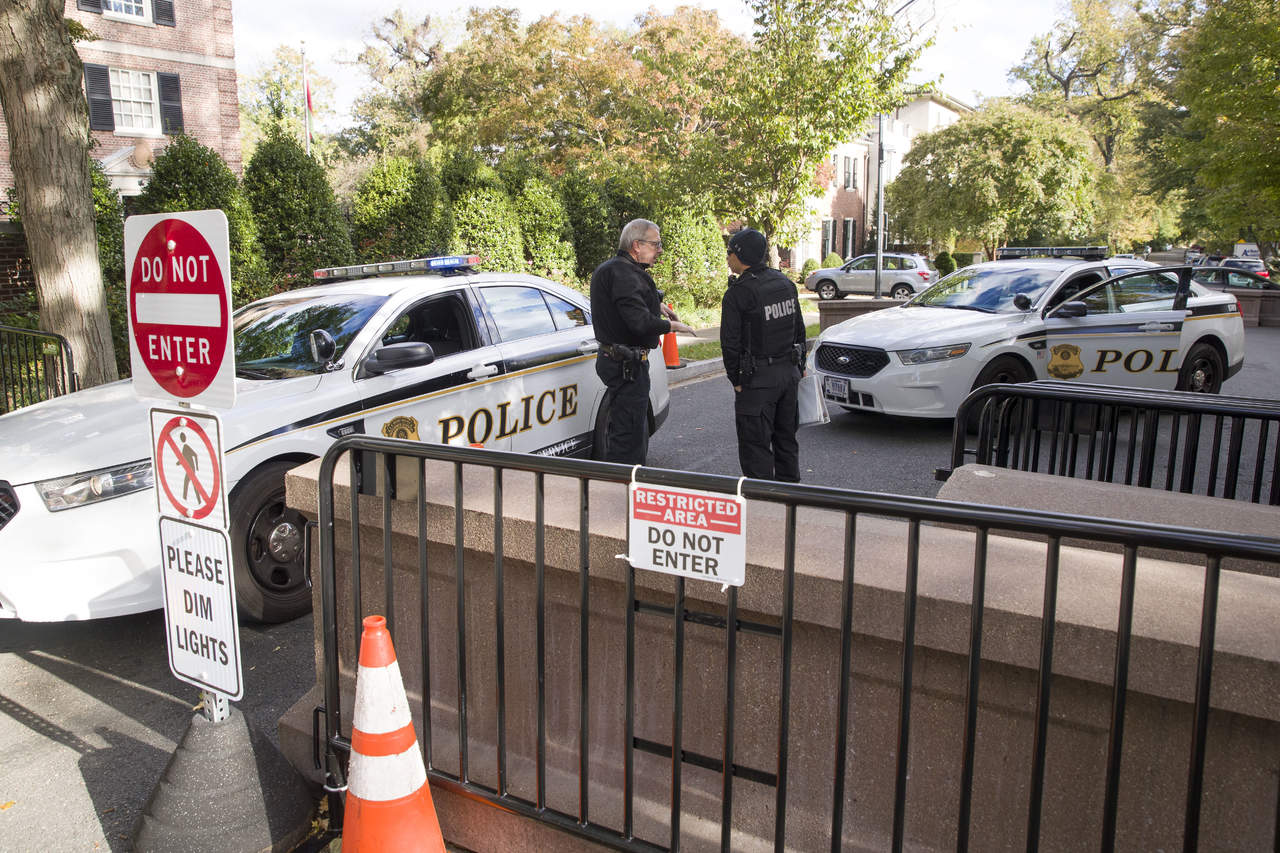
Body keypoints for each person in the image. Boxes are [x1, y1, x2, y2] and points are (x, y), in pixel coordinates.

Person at [589, 219, 693, 464]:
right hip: (627, 366)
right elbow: (639, 322)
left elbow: (623, 304)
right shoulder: (626, 275)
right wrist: (673, 326)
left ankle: (624, 484)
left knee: (625, 430)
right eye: (656, 244)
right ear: (636, 245)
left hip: (617, 361)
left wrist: (655, 304)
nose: (660, 250)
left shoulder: (611, 269)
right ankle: (627, 489)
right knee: (630, 437)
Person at [720, 228, 805, 481]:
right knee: (786, 440)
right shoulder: (784, 283)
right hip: (788, 375)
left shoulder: (739, 293)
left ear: (741, 255)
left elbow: (730, 343)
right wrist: (799, 366)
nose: (727, 258)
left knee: (755, 448)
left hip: (757, 380)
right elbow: (799, 329)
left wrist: (735, 380)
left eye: (730, 252)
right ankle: (791, 502)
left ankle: (763, 508)